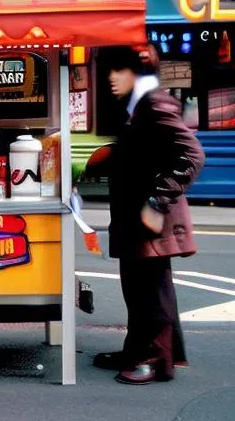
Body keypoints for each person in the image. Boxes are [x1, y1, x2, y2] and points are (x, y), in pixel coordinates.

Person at [93, 45, 205, 385]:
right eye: (109, 70)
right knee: (141, 287)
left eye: (119, 70)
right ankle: (140, 351)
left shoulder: (154, 104)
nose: (111, 78)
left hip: (151, 215)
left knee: (151, 289)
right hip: (136, 214)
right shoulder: (138, 105)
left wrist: (158, 201)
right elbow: (143, 152)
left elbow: (192, 155)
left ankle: (155, 361)